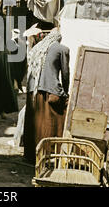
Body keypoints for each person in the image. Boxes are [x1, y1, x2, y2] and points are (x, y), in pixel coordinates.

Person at [23, 28, 70, 164]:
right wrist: (65, 93)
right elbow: (65, 74)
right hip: (49, 90)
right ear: (59, 38)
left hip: (33, 91)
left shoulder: (38, 48)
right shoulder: (62, 49)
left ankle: (32, 155)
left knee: (36, 123)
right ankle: (50, 154)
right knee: (55, 122)